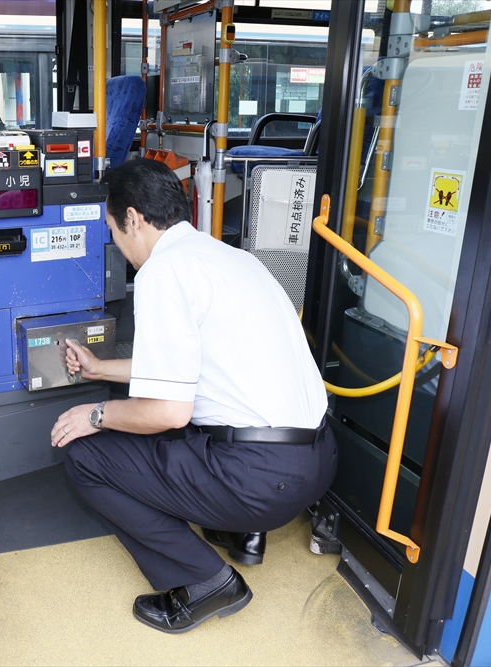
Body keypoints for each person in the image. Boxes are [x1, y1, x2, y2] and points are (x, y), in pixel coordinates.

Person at [50, 158, 337, 634]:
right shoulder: (229, 258)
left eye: (112, 229)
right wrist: (101, 368)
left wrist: (96, 413)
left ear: (134, 219)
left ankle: (204, 582)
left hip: (260, 479)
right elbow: (188, 366)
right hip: (318, 462)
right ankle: (238, 532)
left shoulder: (163, 273)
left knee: (86, 455)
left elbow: (166, 410)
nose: (115, 243)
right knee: (181, 434)